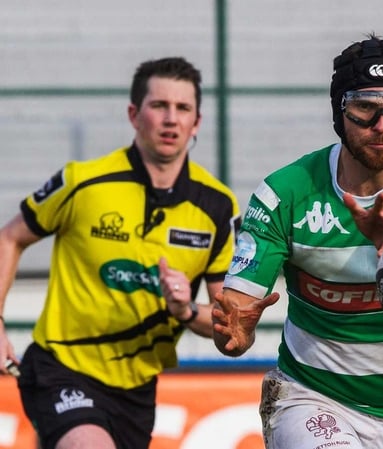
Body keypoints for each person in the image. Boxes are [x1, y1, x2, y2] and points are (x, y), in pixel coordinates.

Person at [211, 34, 383, 449]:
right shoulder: (285, 193)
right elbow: (236, 317)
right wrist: (235, 335)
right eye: (364, 109)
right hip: (309, 399)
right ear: (339, 112)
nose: (381, 126)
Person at [0, 57, 241, 449]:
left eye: (183, 109)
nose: (170, 119)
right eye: (159, 106)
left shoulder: (217, 207)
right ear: (134, 114)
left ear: (197, 123)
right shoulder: (83, 181)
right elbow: (9, 238)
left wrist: (184, 311)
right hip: (61, 367)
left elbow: (228, 331)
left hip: (137, 390)